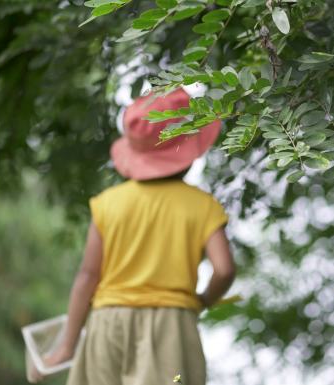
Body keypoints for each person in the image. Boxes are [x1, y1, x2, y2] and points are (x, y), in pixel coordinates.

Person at [32, 88, 236, 385]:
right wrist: (203, 300)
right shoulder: (202, 205)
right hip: (170, 326)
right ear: (190, 152)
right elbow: (225, 269)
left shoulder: (108, 203)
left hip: (107, 326)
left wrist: (66, 347)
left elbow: (87, 276)